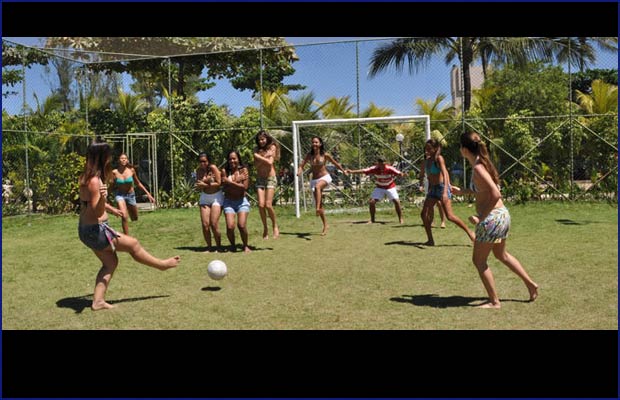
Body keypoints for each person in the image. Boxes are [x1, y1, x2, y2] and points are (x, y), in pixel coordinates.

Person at [78, 138, 180, 311]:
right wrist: (103, 199)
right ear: (101, 157)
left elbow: (89, 204)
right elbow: (96, 211)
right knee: (133, 244)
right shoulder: (95, 181)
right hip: (96, 230)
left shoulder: (85, 177)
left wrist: (110, 208)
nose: (110, 158)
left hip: (85, 230)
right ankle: (162, 265)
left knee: (110, 263)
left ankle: (98, 301)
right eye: (108, 155)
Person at [451, 131, 538, 308]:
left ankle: (494, 302)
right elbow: (483, 190)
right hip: (502, 215)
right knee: (501, 255)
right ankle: (531, 285)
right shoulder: (483, 163)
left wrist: (480, 217)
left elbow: (496, 193)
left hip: (491, 218)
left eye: (460, 147)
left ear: (464, 149)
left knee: (479, 261)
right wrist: (462, 191)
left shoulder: (478, 167)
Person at [419, 138, 475, 246]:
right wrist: (421, 184)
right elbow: (421, 175)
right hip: (433, 189)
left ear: (435, 148)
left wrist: (445, 192)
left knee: (450, 216)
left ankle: (470, 232)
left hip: (441, 188)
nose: (427, 151)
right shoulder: (425, 162)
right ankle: (430, 240)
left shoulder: (439, 159)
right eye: (426, 149)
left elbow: (445, 174)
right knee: (423, 214)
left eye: (429, 149)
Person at [297, 136, 348, 235]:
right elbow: (302, 165)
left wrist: (343, 171)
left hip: (325, 177)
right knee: (320, 204)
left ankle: (316, 209)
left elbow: (336, 164)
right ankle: (325, 225)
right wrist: (299, 171)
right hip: (314, 180)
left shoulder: (325, 155)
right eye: (313, 142)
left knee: (318, 187)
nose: (314, 144)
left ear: (320, 144)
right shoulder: (309, 155)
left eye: (316, 142)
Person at [346, 157, 406, 224]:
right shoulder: (374, 168)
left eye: (383, 164)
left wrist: (402, 174)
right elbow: (363, 171)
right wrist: (351, 171)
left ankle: (400, 219)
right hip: (380, 187)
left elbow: (399, 173)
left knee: (397, 201)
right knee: (372, 202)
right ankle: (372, 219)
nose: (382, 166)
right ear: (378, 164)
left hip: (390, 187)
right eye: (381, 164)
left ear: (386, 163)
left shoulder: (390, 168)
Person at [111, 153, 155, 235]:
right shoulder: (114, 172)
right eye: (121, 158)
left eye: (125, 158)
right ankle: (127, 237)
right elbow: (111, 186)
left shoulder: (131, 170)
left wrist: (148, 194)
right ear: (118, 160)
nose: (123, 160)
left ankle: (127, 207)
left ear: (127, 160)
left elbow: (138, 183)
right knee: (124, 216)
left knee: (135, 218)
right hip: (120, 195)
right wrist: (105, 197)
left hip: (130, 195)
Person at [221, 150, 251, 253]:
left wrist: (230, 182)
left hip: (241, 202)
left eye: (234, 158)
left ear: (238, 159)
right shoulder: (224, 171)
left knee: (241, 225)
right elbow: (224, 188)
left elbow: (244, 187)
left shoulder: (243, 170)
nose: (232, 161)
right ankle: (233, 246)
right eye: (230, 159)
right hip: (229, 202)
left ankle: (245, 245)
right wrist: (236, 180)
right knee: (230, 227)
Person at [253, 130, 280, 240]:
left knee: (268, 205)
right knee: (261, 205)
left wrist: (259, 157)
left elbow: (270, 163)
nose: (261, 141)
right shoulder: (256, 149)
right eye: (259, 140)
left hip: (270, 178)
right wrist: (264, 156)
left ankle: (275, 225)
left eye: (263, 139)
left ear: (267, 139)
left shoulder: (272, 147)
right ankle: (265, 228)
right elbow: (256, 166)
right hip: (260, 179)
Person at [195, 152, 223, 252]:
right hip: (205, 197)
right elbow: (198, 185)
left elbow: (219, 183)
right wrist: (207, 180)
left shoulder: (213, 168)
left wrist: (205, 183)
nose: (202, 163)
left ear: (208, 161)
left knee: (213, 223)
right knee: (205, 224)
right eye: (200, 161)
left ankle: (218, 247)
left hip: (216, 197)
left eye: (204, 161)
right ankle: (209, 247)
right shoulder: (199, 170)